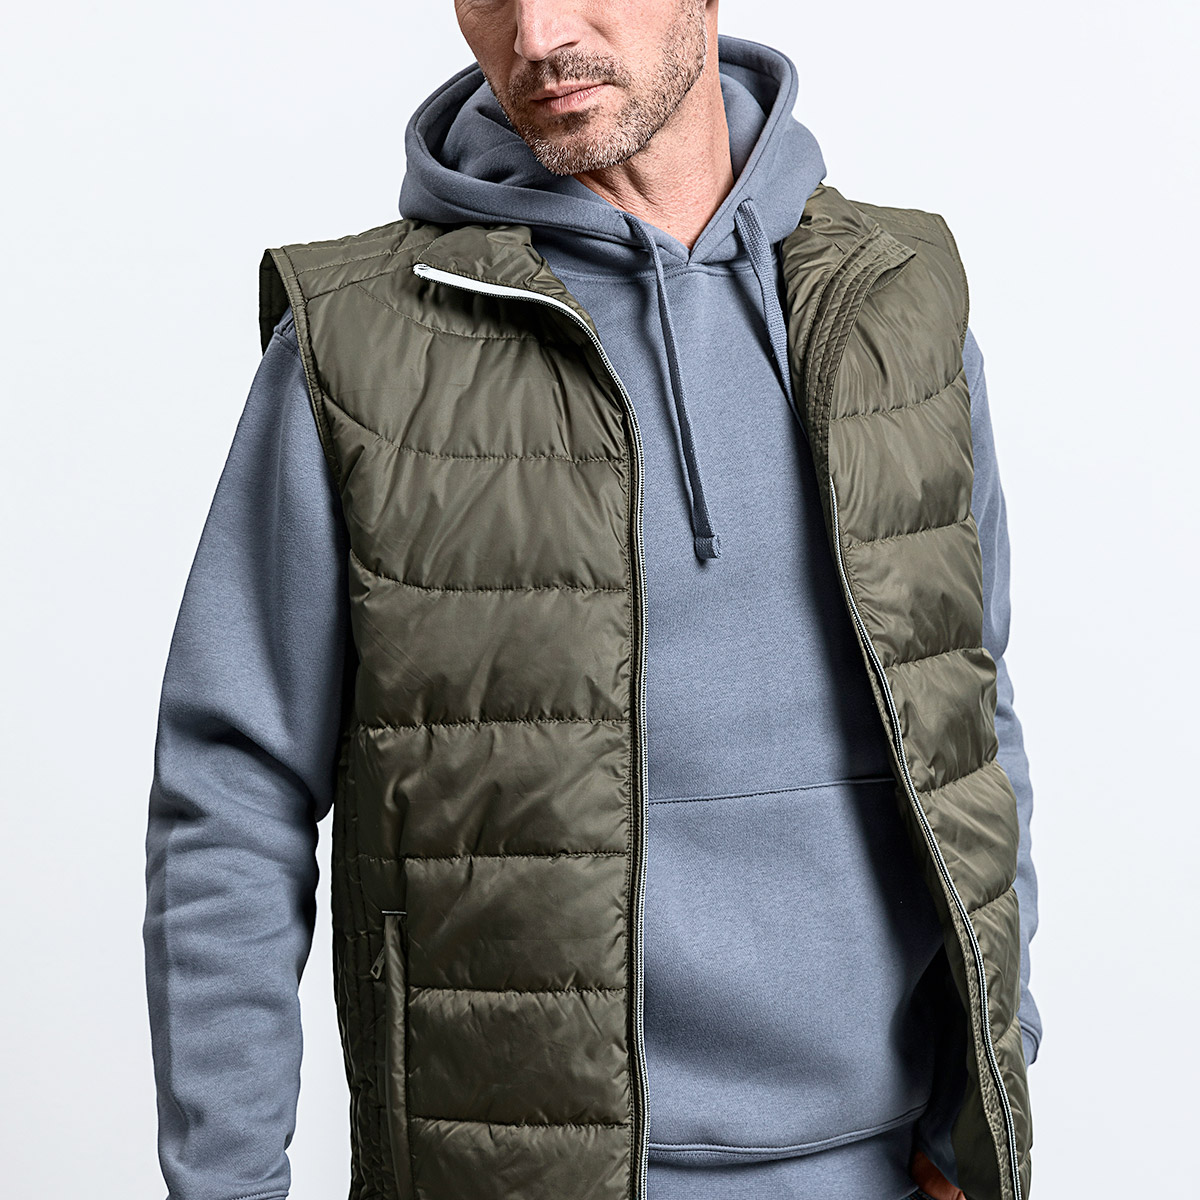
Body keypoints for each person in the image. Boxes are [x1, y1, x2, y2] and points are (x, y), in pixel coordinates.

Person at [142, 3, 1042, 1199]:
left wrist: (988, 1086)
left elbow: (970, 724)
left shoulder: (897, 305)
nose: (535, 32)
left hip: (883, 1167)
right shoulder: (360, 343)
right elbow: (231, 795)